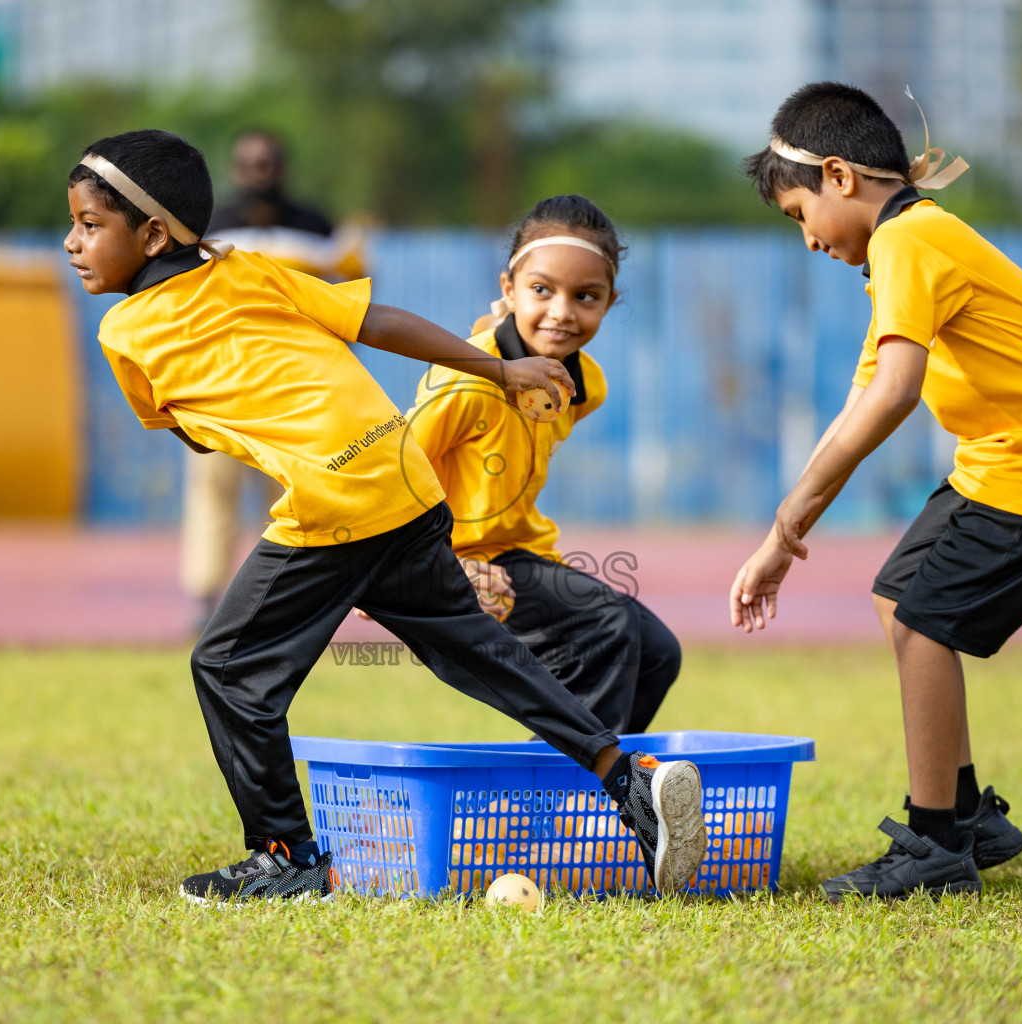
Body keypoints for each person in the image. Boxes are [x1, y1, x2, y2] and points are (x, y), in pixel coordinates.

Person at [63, 129, 708, 903]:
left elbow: (192, 433)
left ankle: (287, 858)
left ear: (154, 234)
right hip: (402, 477)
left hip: (336, 497)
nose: (72, 243)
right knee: (475, 654)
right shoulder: (248, 268)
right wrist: (497, 366)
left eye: (89, 225)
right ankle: (627, 779)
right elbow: (378, 323)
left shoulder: (123, 329)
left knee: (228, 669)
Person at [730, 83, 1022, 900]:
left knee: (924, 626)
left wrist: (786, 525)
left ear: (839, 177)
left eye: (797, 214)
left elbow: (892, 396)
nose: (805, 239)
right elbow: (861, 396)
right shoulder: (901, 250)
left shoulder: (910, 240)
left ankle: (934, 845)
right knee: (899, 598)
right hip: (1004, 457)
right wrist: (786, 534)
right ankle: (969, 816)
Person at [407, 195, 681, 735]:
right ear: (509, 288)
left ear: (609, 301)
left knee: (655, 651)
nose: (562, 311)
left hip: (517, 554)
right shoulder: (466, 382)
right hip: (445, 565)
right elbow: (384, 471)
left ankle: (564, 787)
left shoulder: (584, 385)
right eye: (541, 290)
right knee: (606, 625)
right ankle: (587, 795)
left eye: (586, 296)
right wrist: (426, 573)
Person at [180, 132, 363, 631]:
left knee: (292, 496)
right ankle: (204, 603)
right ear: (236, 170)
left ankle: (282, 605)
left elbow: (352, 300)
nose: (259, 172)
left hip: (295, 391)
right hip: (219, 386)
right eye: (249, 164)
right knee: (212, 493)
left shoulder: (318, 227)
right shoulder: (209, 228)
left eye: (268, 164)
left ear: (282, 169)